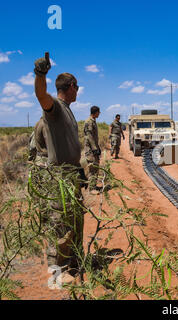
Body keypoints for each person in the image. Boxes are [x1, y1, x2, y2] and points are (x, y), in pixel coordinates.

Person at [33, 52, 84, 284]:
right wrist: (40, 74)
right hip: (60, 180)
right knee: (60, 225)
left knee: (74, 222)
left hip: (72, 176)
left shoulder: (68, 109)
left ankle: (74, 264)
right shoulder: (55, 109)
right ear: (71, 86)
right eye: (77, 87)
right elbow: (41, 95)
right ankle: (57, 275)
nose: (78, 91)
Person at [84, 106, 101, 193]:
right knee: (92, 168)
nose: (99, 114)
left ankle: (93, 186)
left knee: (96, 167)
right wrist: (94, 148)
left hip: (94, 148)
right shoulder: (89, 122)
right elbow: (89, 136)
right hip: (90, 150)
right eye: (99, 112)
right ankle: (91, 189)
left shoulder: (93, 121)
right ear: (95, 112)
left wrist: (98, 148)